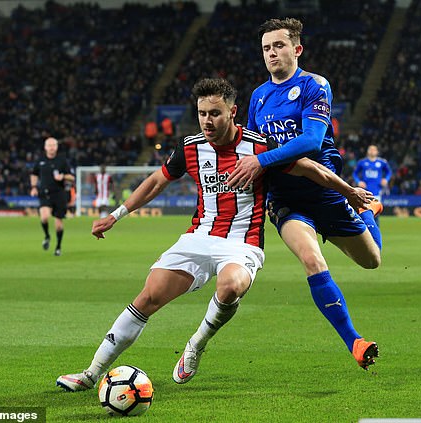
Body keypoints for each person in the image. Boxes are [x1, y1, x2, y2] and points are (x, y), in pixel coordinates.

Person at [56, 78, 373, 392]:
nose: (208, 120)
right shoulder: (190, 147)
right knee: (148, 297)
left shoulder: (259, 148)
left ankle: (196, 343)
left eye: (215, 113)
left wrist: (348, 191)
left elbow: (310, 169)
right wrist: (116, 215)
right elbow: (157, 181)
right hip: (199, 237)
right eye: (202, 113)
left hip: (242, 243)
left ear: (233, 112)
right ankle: (90, 373)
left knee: (231, 285)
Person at [227, 18, 383, 370]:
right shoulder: (259, 96)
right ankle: (354, 342)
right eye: (266, 48)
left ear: (296, 49)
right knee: (312, 261)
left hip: (325, 190)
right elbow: (251, 148)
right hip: (285, 198)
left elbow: (312, 141)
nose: (272, 53)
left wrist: (262, 159)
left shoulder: (315, 85)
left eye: (279, 46)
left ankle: (369, 211)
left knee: (372, 261)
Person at [30, 137, 74, 256]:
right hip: (44, 193)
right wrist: (33, 187)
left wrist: (63, 176)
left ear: (57, 147)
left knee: (58, 223)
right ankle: (47, 236)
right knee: (44, 217)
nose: (51, 148)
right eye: (49, 145)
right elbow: (34, 174)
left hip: (59, 194)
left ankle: (58, 247)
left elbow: (72, 177)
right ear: (45, 147)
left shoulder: (62, 160)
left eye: (53, 145)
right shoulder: (40, 161)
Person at [353, 145, 392, 223]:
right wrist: (359, 181)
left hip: (377, 191)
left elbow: (389, 172)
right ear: (367, 151)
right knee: (364, 213)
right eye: (370, 149)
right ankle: (366, 232)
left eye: (374, 150)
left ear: (377, 152)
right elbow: (355, 173)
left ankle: (375, 233)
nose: (372, 151)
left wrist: (386, 179)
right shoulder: (362, 162)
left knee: (375, 215)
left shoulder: (381, 162)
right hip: (365, 192)